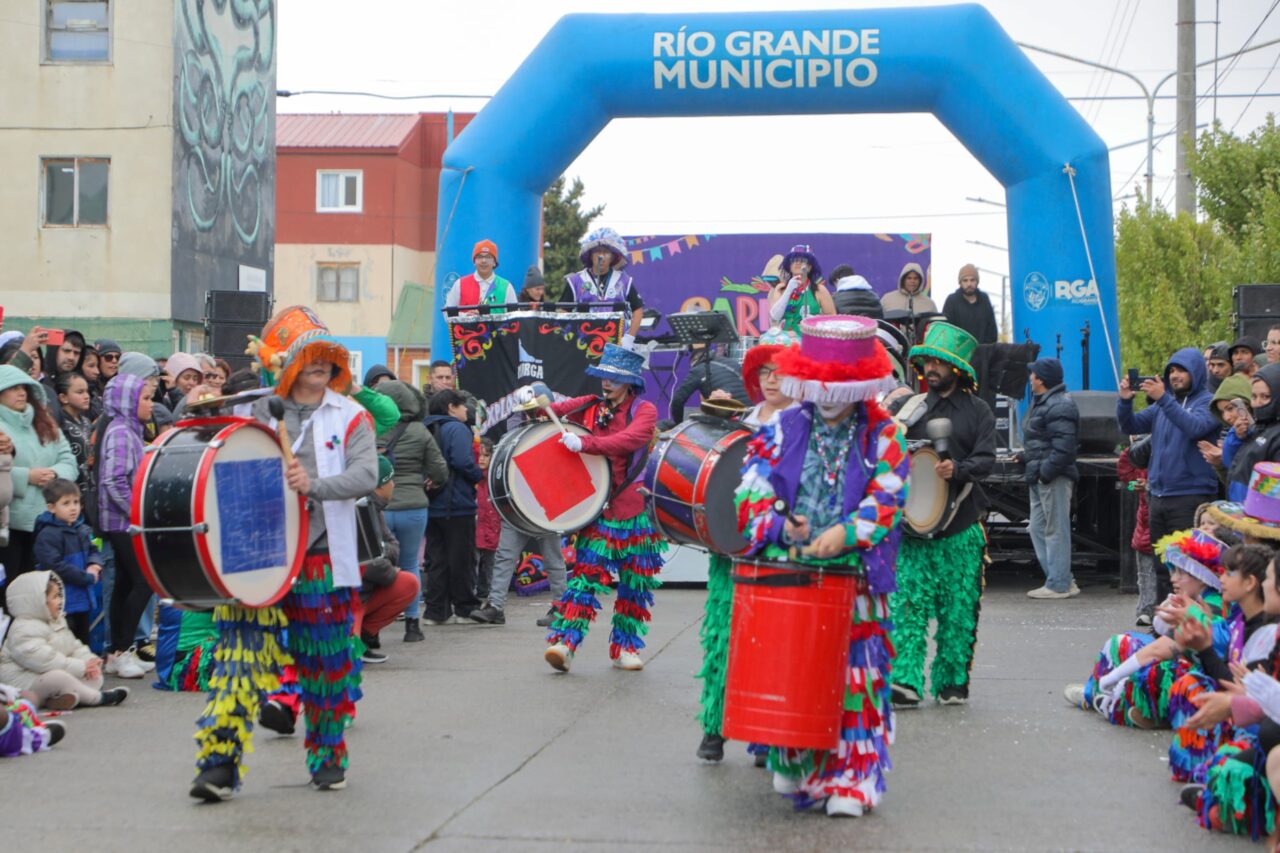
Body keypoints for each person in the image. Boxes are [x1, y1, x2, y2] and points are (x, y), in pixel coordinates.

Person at [190, 305, 377, 800]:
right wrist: (201, 405)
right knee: (238, 661)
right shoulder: (250, 410)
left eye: (325, 357)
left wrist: (313, 484)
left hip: (319, 560)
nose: (319, 365)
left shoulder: (352, 415)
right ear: (285, 364)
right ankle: (218, 766)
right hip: (258, 556)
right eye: (308, 357)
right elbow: (207, 455)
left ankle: (327, 759)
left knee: (325, 667)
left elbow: (366, 476)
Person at [733, 314, 906, 816]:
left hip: (856, 581)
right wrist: (782, 526)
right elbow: (751, 489)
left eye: (841, 385)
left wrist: (847, 533)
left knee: (856, 675)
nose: (830, 394)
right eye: (821, 383)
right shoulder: (782, 426)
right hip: (793, 571)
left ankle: (851, 778)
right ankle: (795, 755)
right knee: (794, 667)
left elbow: (888, 496)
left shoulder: (884, 433)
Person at [696, 328, 797, 762]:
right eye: (765, 373)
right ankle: (714, 729)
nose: (772, 380)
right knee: (723, 636)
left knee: (770, 645)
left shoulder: (804, 423)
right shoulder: (738, 421)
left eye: (781, 372)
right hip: (731, 548)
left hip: (777, 551)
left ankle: (763, 736)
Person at [890, 322, 996, 707]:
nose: (931, 368)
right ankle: (904, 680)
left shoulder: (979, 411)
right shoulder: (910, 408)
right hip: (914, 531)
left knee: (957, 608)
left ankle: (952, 682)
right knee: (909, 606)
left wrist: (959, 469)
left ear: (957, 369)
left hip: (962, 527)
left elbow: (987, 461)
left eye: (939, 362)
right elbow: (884, 452)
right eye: (928, 361)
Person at [541, 343, 663, 672]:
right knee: (584, 580)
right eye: (603, 376)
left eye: (613, 378)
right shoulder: (591, 405)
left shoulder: (645, 410)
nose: (605, 383)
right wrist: (534, 400)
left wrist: (586, 443)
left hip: (635, 513)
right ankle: (564, 644)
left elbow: (632, 439)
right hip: (600, 513)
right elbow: (551, 409)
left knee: (635, 585)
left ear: (630, 382)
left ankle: (626, 648)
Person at [1118, 347, 1221, 603]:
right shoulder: (1164, 406)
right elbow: (1129, 425)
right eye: (1171, 370)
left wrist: (1163, 398)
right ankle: (1164, 621)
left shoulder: (1208, 403)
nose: (1175, 375)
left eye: (1181, 370)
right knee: (1163, 568)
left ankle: (1193, 621)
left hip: (1190, 497)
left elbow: (1195, 427)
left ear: (1196, 371)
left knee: (1189, 568)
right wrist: (1125, 400)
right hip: (1159, 497)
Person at [375, 380, 446, 641]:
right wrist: (431, 480)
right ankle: (413, 624)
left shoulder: (372, 427)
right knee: (410, 564)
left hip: (379, 507)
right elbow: (439, 468)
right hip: (414, 506)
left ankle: (374, 628)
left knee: (376, 565)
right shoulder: (420, 431)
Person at [96, 372, 156, 679]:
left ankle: (116, 652)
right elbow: (113, 479)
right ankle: (121, 650)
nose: (151, 404)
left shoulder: (130, 430)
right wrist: (137, 510)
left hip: (125, 520)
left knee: (124, 584)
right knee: (145, 581)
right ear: (128, 403)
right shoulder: (121, 431)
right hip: (123, 522)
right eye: (144, 399)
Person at [0, 571, 128, 710]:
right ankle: (98, 698)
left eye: (60, 595)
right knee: (58, 678)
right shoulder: (23, 629)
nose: (60, 601)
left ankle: (60, 698)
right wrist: (81, 667)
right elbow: (45, 661)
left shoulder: (57, 621)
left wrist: (89, 661)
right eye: (55, 597)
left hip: (50, 674)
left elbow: (74, 646)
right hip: (25, 683)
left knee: (94, 676)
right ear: (37, 601)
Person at [0, 366, 77, 590]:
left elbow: (68, 459)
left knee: (45, 588)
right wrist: (27, 476)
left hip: (48, 520)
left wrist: (54, 475)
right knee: (12, 589)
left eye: (23, 387)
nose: (21, 392)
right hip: (10, 525)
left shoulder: (45, 422)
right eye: (13, 388)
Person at [422, 389, 484, 625]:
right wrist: (478, 474)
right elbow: (461, 461)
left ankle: (436, 611)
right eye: (461, 406)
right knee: (462, 558)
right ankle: (464, 608)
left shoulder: (425, 428)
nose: (466, 410)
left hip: (431, 503)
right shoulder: (456, 428)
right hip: (456, 503)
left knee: (436, 558)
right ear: (451, 407)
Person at [1020, 357, 1080, 598]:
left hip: (1051, 476)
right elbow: (1044, 441)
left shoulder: (1059, 405)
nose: (1030, 378)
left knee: (1055, 530)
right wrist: (1027, 459)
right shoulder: (1048, 402)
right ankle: (1061, 577)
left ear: (1041, 379)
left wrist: (1045, 473)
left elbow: (1064, 448)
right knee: (1037, 528)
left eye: (1033, 374)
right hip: (1040, 473)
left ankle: (1058, 584)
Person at [358, 456, 421, 664]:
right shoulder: (360, 508)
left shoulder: (377, 508)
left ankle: (364, 636)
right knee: (399, 578)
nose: (394, 485)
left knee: (409, 583)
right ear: (380, 485)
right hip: (353, 594)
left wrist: (383, 555)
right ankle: (352, 641)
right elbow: (368, 560)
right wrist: (389, 569)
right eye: (391, 480)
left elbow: (392, 546)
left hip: (368, 587)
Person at [32, 479, 101, 645]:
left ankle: (86, 668)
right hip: (62, 602)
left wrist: (94, 564)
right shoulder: (48, 534)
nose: (73, 508)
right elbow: (53, 566)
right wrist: (85, 577)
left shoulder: (81, 529)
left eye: (76, 502)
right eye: (66, 503)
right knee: (65, 642)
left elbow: (93, 550)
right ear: (51, 507)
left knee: (83, 640)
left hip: (82, 598)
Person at [563, 227, 646, 348]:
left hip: (617, 346)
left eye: (606, 252)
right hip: (582, 346)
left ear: (613, 256)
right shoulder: (575, 280)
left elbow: (638, 310)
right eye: (597, 252)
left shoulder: (624, 281)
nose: (601, 256)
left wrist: (629, 338)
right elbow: (562, 311)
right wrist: (570, 336)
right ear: (590, 255)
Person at [1226, 364, 1280, 501]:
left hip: (1260, 514)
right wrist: (1237, 437)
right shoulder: (1256, 426)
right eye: (1254, 396)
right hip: (1239, 508)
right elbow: (1229, 463)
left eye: (1265, 396)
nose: (1257, 403)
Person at [1116, 440, 1156, 626]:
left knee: (1153, 572)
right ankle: (1146, 609)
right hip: (1145, 519)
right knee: (1145, 572)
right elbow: (1127, 482)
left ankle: (1151, 609)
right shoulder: (1139, 466)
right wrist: (1138, 486)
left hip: (1156, 515)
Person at [668, 344, 750, 422]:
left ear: (693, 362)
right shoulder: (732, 362)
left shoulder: (698, 370)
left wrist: (678, 423)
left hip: (730, 415)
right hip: (751, 413)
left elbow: (677, 401)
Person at [766, 243, 836, 335]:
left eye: (803, 260)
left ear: (810, 267)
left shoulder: (819, 290)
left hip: (809, 341)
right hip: (785, 341)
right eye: (794, 260)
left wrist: (816, 321)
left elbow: (833, 319)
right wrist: (788, 290)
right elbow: (775, 316)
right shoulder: (780, 288)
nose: (798, 262)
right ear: (789, 266)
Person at [53, 373, 93, 508]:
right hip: (69, 493)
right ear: (63, 397)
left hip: (89, 491)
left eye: (87, 391)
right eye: (80, 392)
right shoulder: (59, 424)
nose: (86, 396)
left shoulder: (86, 422)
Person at [445, 239, 516, 313]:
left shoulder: (506, 286)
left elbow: (514, 316)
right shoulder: (460, 284)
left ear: (494, 262)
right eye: (479, 257)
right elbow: (447, 312)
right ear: (474, 261)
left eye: (488, 257)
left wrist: (486, 317)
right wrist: (466, 316)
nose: (483, 261)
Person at [942, 264, 998, 344]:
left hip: (983, 352)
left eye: (972, 280)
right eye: (965, 280)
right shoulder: (952, 300)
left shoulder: (984, 299)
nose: (969, 284)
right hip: (958, 352)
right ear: (960, 283)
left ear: (977, 282)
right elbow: (947, 330)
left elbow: (992, 330)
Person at [472, 438, 499, 605]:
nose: (482, 459)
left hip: (493, 527)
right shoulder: (474, 479)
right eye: (479, 455)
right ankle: (473, 591)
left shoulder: (494, 480)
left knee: (491, 564)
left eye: (486, 455)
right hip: (476, 527)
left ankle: (490, 592)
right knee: (473, 562)